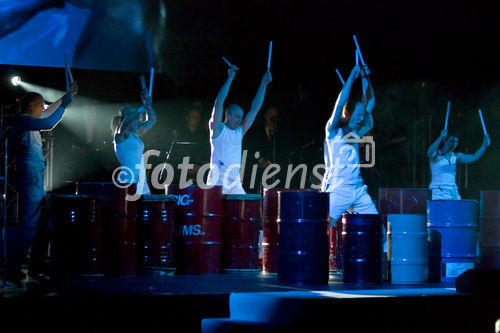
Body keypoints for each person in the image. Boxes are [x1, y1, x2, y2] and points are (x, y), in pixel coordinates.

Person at [4, 84, 77, 285]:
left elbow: (48, 112)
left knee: (40, 223)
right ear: (33, 105)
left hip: (33, 177)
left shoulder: (27, 120)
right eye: (41, 106)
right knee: (29, 224)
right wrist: (66, 104)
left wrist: (65, 97)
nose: (43, 108)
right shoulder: (21, 120)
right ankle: (14, 267)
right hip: (29, 178)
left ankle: (35, 265)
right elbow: (50, 122)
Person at [321, 64, 377, 227]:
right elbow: (340, 105)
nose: (361, 118)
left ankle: (383, 251)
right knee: (321, 229)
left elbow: (371, 101)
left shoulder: (356, 132)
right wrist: (352, 77)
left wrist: (366, 79)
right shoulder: (332, 131)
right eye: (357, 114)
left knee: (374, 227)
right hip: (338, 189)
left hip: (358, 189)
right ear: (346, 113)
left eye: (362, 115)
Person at [207, 64, 272, 194]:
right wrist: (230, 77)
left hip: (235, 185)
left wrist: (263, 84)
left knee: (246, 212)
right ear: (227, 115)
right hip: (217, 183)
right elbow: (219, 102)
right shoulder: (217, 129)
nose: (239, 120)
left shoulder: (239, 132)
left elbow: (255, 109)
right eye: (236, 116)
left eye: (241, 117)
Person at [112, 90, 156, 195]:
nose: (138, 120)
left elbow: (152, 120)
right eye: (136, 118)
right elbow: (127, 121)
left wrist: (148, 105)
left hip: (141, 179)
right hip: (128, 179)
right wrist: (143, 107)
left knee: (147, 208)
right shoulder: (120, 134)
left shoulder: (135, 134)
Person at [427, 129, 490, 200]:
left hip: (453, 193)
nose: (454, 144)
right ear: (445, 140)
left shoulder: (456, 156)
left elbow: (474, 157)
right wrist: (441, 137)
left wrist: (484, 145)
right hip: (437, 193)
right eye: (452, 141)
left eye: (456, 142)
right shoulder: (436, 154)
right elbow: (429, 152)